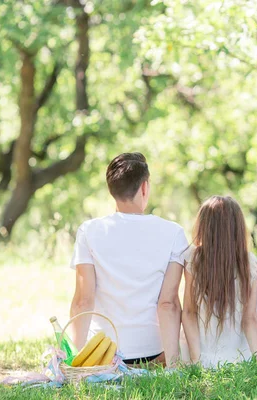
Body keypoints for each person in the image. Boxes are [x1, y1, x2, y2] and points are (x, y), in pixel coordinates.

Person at [69, 152, 188, 367]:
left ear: (111, 189)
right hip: (153, 355)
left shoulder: (89, 231)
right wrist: (173, 364)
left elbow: (83, 301)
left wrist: (74, 361)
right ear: (144, 188)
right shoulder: (174, 233)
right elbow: (168, 303)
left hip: (103, 355)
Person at [180, 196, 257, 367]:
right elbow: (251, 319)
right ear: (237, 229)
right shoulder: (250, 262)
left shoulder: (193, 259)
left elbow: (189, 312)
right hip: (240, 359)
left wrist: (196, 360)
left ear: (205, 226)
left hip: (202, 355)